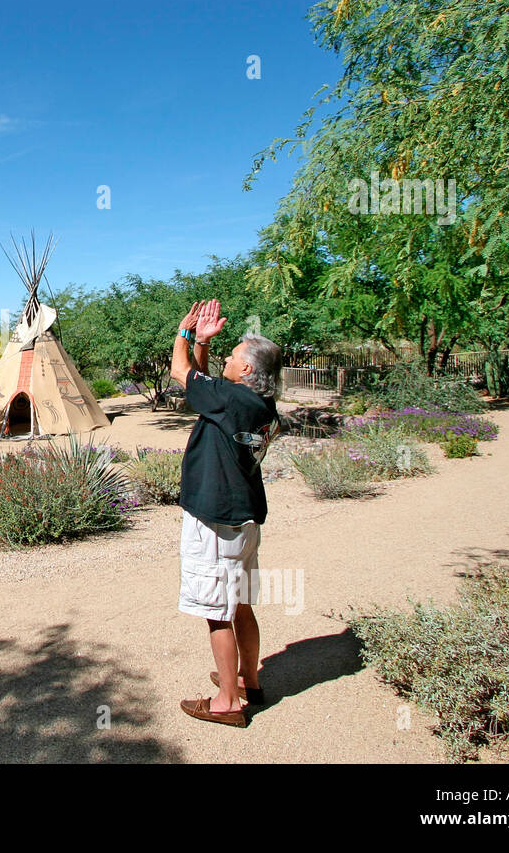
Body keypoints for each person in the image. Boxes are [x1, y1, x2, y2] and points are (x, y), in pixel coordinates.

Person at [169, 299, 282, 728]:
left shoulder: (232, 399)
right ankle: (248, 679)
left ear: (248, 371)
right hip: (246, 518)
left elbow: (184, 376)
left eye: (233, 356)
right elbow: (204, 386)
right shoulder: (256, 404)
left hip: (215, 519)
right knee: (241, 606)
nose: (227, 360)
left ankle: (227, 702)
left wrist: (183, 334)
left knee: (217, 610)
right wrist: (202, 343)